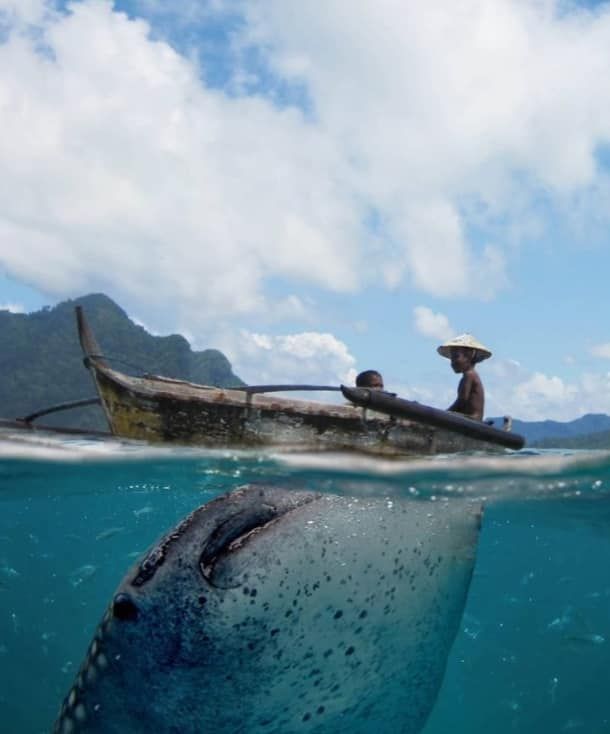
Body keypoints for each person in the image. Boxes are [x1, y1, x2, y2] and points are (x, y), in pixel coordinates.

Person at [437, 334, 491, 421]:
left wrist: (444, 414)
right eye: (451, 359)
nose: (452, 362)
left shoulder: (469, 375)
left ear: (469, 356)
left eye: (456, 357)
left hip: (473, 419)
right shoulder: (470, 375)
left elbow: (461, 401)